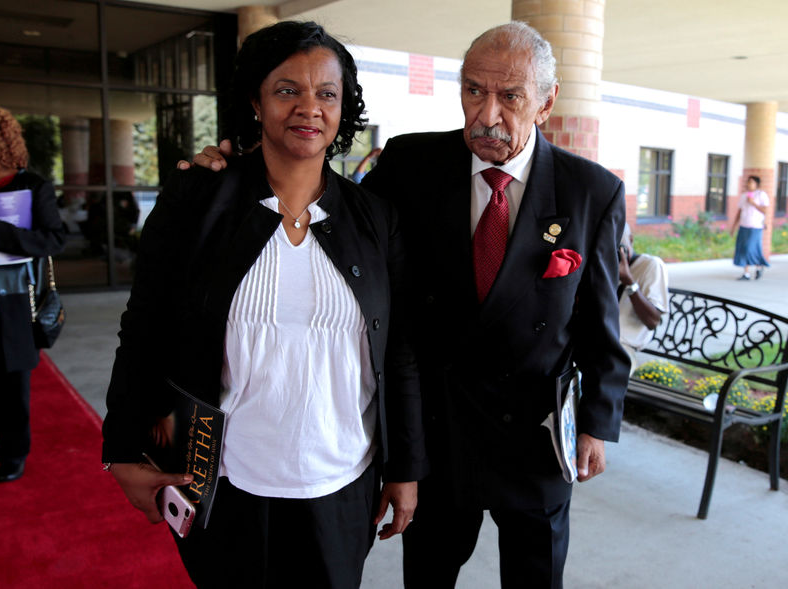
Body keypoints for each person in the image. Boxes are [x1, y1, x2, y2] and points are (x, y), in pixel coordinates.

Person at [187, 21, 629, 588]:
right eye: (473, 91)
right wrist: (238, 172)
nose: (487, 114)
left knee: (537, 575)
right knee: (428, 575)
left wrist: (596, 423)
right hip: (438, 431)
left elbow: (600, 324)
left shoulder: (591, 191)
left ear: (546, 102)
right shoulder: (410, 164)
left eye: (510, 97)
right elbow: (334, 215)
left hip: (534, 436)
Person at [102, 22, 427, 589]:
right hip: (224, 483)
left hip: (343, 483)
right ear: (255, 100)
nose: (309, 108)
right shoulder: (197, 200)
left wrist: (406, 468)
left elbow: (398, 351)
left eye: (327, 93)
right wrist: (122, 449)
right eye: (287, 90)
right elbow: (144, 328)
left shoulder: (376, 219)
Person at [0, 105, 66, 482]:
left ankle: (13, 454)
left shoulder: (31, 186)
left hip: (13, 306)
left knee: (10, 392)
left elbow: (54, 239)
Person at [618, 223, 668, 374]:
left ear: (631, 240)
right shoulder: (604, 265)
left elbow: (652, 321)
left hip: (622, 348)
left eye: (620, 246)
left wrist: (629, 281)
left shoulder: (651, 265)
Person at [730, 175, 770, 280]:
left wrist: (753, 203)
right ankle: (746, 273)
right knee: (743, 249)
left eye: (751, 182)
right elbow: (739, 212)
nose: (749, 184)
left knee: (750, 248)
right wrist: (734, 226)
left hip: (755, 226)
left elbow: (765, 211)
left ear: (757, 184)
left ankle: (759, 266)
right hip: (744, 225)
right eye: (748, 182)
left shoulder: (761, 195)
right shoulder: (744, 196)